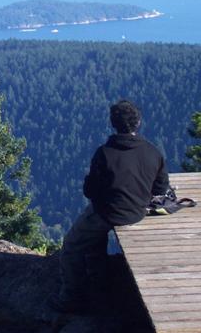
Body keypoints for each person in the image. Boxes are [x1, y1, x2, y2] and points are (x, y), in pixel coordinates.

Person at [52, 99, 169, 313]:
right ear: (138, 123)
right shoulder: (153, 152)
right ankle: (100, 276)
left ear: (113, 124)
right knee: (94, 237)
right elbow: (161, 188)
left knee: (71, 247)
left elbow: (90, 191)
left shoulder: (104, 153)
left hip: (106, 213)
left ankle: (72, 299)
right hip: (137, 212)